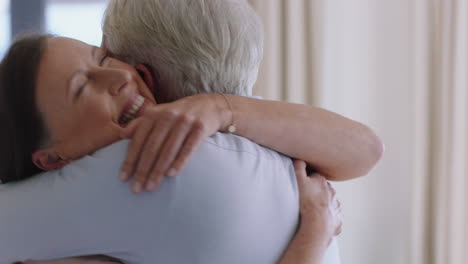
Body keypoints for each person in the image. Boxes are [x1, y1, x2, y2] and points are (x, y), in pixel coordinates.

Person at [0, 0, 383, 263]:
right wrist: (315, 231)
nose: (119, 77)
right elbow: (366, 150)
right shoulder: (257, 136)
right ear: (51, 157)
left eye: (103, 58)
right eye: (82, 88)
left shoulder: (147, 163)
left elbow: (368, 148)